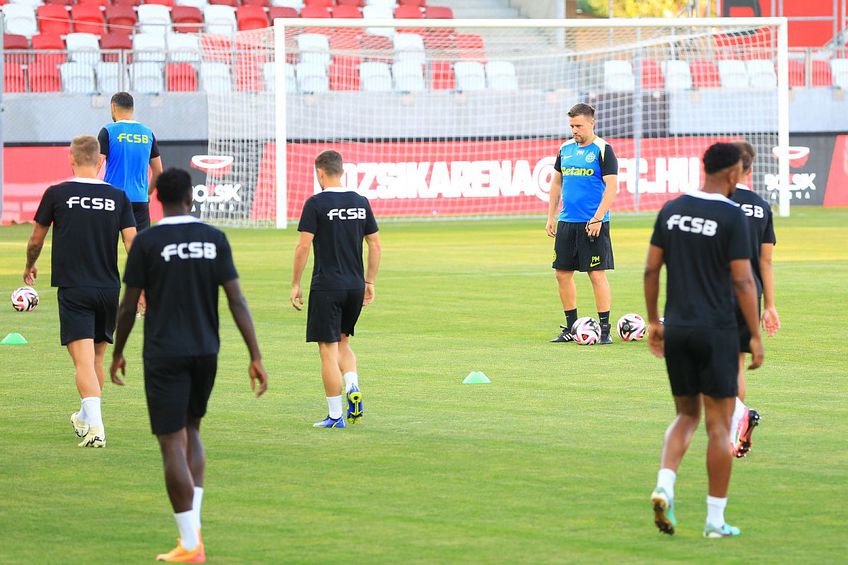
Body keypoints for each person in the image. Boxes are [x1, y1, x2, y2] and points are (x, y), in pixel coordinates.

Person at [109, 168, 268, 562]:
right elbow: (236, 300)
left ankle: (189, 544)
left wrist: (117, 351)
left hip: (164, 353)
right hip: (205, 351)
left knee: (170, 443)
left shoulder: (148, 242)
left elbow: (129, 305)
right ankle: (193, 531)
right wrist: (255, 355)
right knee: (192, 431)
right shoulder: (214, 239)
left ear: (158, 197)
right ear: (192, 198)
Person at [644, 142, 764, 538]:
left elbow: (650, 270)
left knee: (685, 415)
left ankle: (665, 482)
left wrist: (653, 321)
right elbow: (744, 279)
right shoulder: (732, 216)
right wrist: (756, 335)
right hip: (717, 330)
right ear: (734, 174)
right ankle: (715, 521)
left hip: (676, 327)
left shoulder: (671, 209)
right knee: (717, 427)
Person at [24, 135, 137, 448]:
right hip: (108, 289)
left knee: (83, 363)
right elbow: (132, 243)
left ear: (70, 158)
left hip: (74, 287)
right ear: (101, 161)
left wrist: (29, 265)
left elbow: (36, 239)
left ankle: (97, 429)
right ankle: (85, 417)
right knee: (97, 358)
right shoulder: (119, 196)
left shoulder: (57, 194)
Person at [291, 150, 382, 428]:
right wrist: (369, 282)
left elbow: (303, 246)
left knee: (327, 350)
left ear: (320, 172)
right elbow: (375, 244)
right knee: (344, 342)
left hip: (327, 286)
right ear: (341, 171)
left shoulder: (315, 204)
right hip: (355, 286)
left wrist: (295, 283)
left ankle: (335, 415)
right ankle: (352, 386)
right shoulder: (360, 202)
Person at [546, 103, 619, 344]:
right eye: (571, 126)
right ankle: (570, 327)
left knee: (596, 275)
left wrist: (598, 217)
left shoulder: (603, 150)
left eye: (578, 125)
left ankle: (605, 330)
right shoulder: (565, 149)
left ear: (591, 123)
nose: (574, 130)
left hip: (593, 223)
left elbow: (612, 187)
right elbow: (557, 183)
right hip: (567, 222)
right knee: (562, 273)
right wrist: (551, 216)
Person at [729, 141, 780, 457]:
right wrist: (769, 305)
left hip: (717, 291)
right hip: (750, 294)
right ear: (751, 169)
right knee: (736, 361)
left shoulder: (718, 201)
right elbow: (766, 261)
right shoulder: (761, 206)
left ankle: (738, 416)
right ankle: (735, 427)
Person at [98, 91, 164, 231]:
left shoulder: (108, 131)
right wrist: (148, 193)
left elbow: (96, 166)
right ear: (133, 109)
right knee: (139, 248)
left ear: (113, 107)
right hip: (139, 199)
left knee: (107, 248)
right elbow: (158, 171)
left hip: (112, 199)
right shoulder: (148, 133)